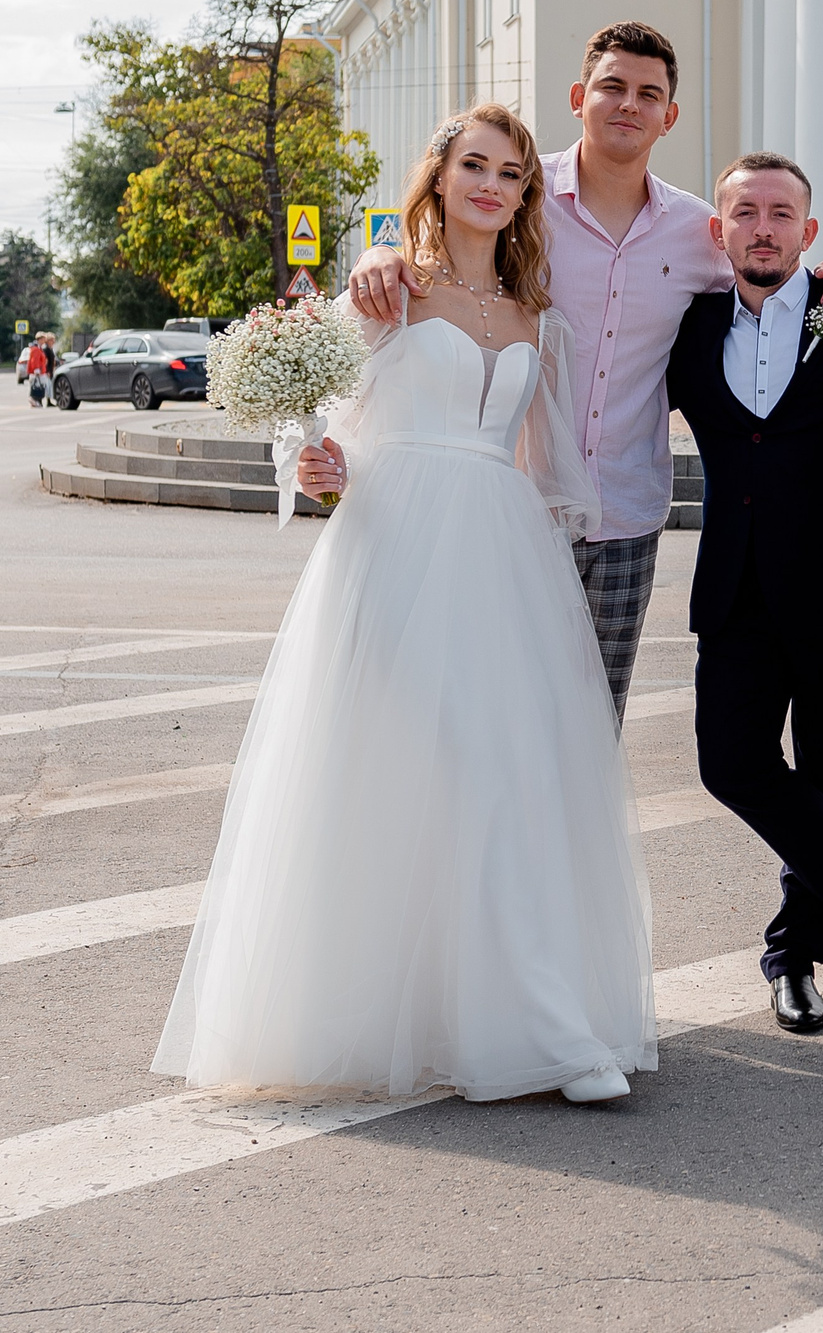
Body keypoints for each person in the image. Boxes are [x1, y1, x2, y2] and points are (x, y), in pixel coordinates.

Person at [155, 103, 655, 1106]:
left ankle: (521, 1016)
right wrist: (321, 466)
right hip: (394, 544)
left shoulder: (534, 316)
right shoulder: (385, 294)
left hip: (501, 555)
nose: (491, 183)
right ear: (437, 176)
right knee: (442, 767)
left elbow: (548, 462)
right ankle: (538, 1029)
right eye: (473, 163)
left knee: (505, 779)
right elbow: (334, 434)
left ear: (523, 194)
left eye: (511, 172)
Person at [350, 22, 823, 722]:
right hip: (515, 510)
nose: (629, 104)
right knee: (494, 725)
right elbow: (443, 254)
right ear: (578, 97)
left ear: (669, 115)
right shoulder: (521, 203)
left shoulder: (697, 232)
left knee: (592, 731)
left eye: (648, 93)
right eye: (612, 87)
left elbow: (769, 275)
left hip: (627, 514)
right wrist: (377, 256)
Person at [665, 152, 823, 1036]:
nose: (763, 227)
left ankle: (797, 959)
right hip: (733, 591)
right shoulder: (689, 329)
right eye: (746, 212)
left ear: (811, 235)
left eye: (781, 214)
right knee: (729, 763)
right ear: (718, 230)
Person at [24, 334, 51, 406]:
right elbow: (34, 360)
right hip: (37, 372)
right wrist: (36, 370)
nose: (44, 341)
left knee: (39, 387)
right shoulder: (36, 349)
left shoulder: (39, 348)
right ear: (39, 339)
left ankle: (37, 401)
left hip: (41, 371)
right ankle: (35, 400)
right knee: (37, 387)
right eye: (43, 339)